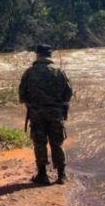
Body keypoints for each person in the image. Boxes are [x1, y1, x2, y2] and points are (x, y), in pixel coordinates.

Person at [19, 44, 72, 185]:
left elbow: (22, 95)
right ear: (50, 55)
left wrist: (31, 104)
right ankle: (61, 175)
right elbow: (68, 94)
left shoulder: (30, 72)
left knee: (39, 143)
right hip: (56, 113)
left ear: (37, 54)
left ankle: (42, 175)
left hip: (37, 113)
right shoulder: (59, 71)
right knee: (57, 143)